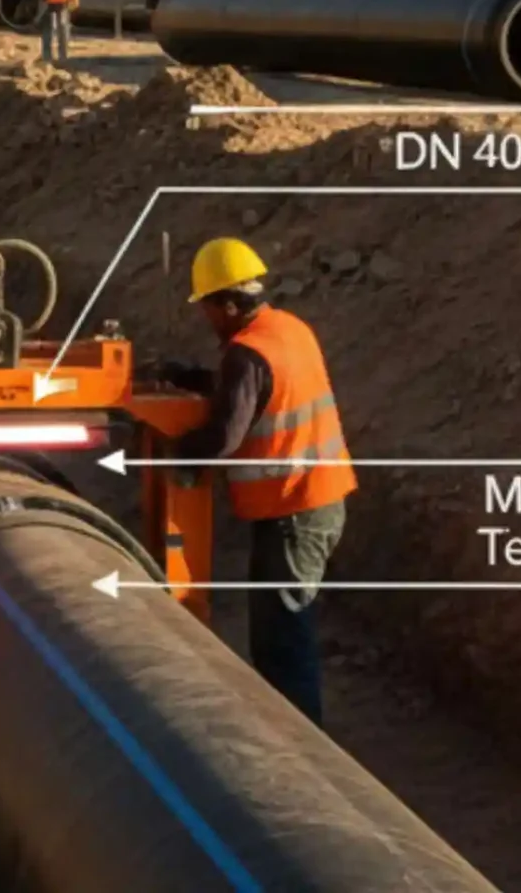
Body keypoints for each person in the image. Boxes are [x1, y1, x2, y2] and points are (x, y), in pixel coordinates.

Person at [172, 237, 357, 727]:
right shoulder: (287, 329)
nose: (206, 318)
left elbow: (225, 436)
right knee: (280, 634)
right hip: (309, 504)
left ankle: (303, 759)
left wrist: (176, 457)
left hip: (294, 513)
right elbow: (258, 391)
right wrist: (192, 379)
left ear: (228, 304)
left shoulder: (246, 354)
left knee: (283, 644)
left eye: (208, 307)